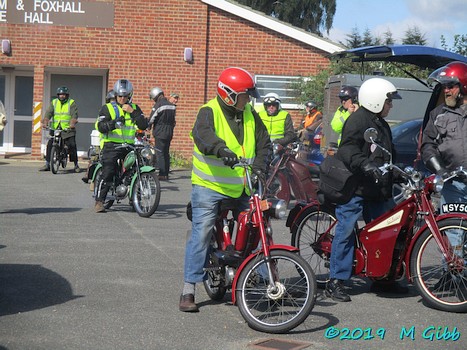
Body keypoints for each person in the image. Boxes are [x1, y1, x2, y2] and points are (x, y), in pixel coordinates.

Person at [179, 67, 271, 312]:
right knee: (201, 232)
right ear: (229, 94)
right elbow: (204, 137)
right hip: (210, 186)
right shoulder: (208, 111)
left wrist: (261, 166)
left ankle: (262, 274)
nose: (249, 100)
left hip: (243, 186)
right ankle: (189, 289)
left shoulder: (250, 113)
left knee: (260, 224)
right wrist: (222, 150)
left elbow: (264, 144)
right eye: (245, 95)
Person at [325, 77, 403, 302]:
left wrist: (397, 172)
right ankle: (336, 280)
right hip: (357, 188)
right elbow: (347, 149)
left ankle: (384, 278)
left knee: (388, 232)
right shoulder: (357, 120)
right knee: (347, 230)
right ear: (377, 100)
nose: (391, 105)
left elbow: (386, 153)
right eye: (389, 101)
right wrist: (365, 164)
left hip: (378, 189)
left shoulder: (381, 123)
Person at [421, 61, 467, 287]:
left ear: (464, 86)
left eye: (451, 85)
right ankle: (452, 276)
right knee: (453, 233)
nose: (446, 90)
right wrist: (440, 169)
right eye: (444, 86)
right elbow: (427, 145)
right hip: (454, 185)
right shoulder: (438, 114)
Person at [94, 79, 148, 213]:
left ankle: (135, 199)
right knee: (108, 171)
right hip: (112, 145)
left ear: (130, 96)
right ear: (116, 95)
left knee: (138, 166)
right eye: (120, 96)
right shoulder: (108, 108)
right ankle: (99, 201)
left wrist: (132, 112)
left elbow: (143, 125)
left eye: (125, 96)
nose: (122, 98)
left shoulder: (134, 108)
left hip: (129, 145)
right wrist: (113, 123)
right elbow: (101, 127)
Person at [40, 86, 80, 172]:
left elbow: (74, 114)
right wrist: (46, 121)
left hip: (68, 129)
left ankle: (76, 165)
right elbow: (48, 113)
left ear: (67, 95)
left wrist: (72, 123)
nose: (62, 96)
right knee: (50, 144)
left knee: (72, 145)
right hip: (56, 128)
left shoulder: (71, 103)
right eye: (60, 94)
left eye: (63, 95)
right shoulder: (54, 102)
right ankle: (47, 164)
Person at [81, 90, 116, 184]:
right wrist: (108, 126)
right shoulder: (105, 110)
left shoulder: (122, 111)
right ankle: (90, 176)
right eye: (111, 100)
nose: (113, 102)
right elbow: (98, 125)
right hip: (104, 141)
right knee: (95, 156)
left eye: (114, 100)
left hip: (120, 143)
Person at [147, 87, 176, 180]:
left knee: (160, 153)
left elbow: (152, 118)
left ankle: (162, 174)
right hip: (169, 132)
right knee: (166, 153)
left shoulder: (158, 105)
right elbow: (174, 121)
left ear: (156, 96)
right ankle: (166, 173)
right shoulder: (172, 106)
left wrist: (148, 127)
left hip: (160, 132)